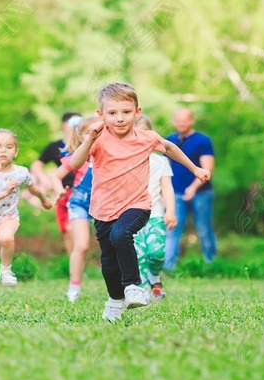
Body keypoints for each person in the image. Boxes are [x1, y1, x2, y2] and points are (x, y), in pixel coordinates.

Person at [62, 83, 211, 322]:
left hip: (137, 205)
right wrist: (89, 139)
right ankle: (115, 299)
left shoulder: (146, 138)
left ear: (137, 111)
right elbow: (75, 164)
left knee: (121, 234)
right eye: (112, 113)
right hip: (102, 209)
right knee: (108, 262)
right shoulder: (98, 140)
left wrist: (194, 168)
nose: (119, 118)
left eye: (126, 112)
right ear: (101, 115)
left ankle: (133, 286)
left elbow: (170, 148)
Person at [0, 128, 52, 302]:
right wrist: (6, 192)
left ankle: (6, 270)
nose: (3, 150)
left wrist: (44, 199)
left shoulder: (21, 172)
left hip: (7, 217)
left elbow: (33, 188)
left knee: (7, 238)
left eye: (9, 147)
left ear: (15, 152)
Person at [162, 107, 216, 270]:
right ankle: (168, 268)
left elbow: (208, 169)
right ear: (173, 121)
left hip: (201, 193)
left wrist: (192, 188)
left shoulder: (203, 141)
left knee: (204, 229)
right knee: (172, 230)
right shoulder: (168, 141)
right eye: (178, 120)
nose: (181, 124)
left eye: (185, 120)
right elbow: (165, 168)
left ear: (192, 121)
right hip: (176, 193)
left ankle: (210, 264)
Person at [132, 115, 176, 298]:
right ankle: (142, 290)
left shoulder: (160, 161)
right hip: (131, 215)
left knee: (156, 252)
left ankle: (155, 276)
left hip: (155, 214)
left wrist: (171, 211)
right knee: (138, 254)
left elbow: (167, 188)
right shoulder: (124, 161)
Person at [30, 112, 81, 252]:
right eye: (71, 123)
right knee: (67, 229)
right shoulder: (55, 146)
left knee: (79, 229)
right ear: (64, 125)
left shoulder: (85, 144)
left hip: (84, 191)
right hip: (63, 192)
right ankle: (73, 265)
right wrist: (45, 180)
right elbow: (36, 165)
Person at [56, 120, 94, 302]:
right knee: (82, 245)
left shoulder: (111, 154)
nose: (93, 135)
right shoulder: (75, 155)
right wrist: (58, 190)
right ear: (80, 136)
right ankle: (74, 287)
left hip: (105, 204)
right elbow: (56, 176)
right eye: (87, 132)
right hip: (79, 203)